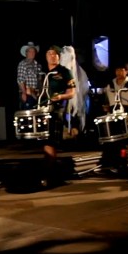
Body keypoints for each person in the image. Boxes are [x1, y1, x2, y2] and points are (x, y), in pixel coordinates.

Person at [41, 45, 76, 185]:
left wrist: (61, 97)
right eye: (49, 53)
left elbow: (71, 93)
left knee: (50, 141)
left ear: (59, 57)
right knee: (45, 142)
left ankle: (50, 174)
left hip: (56, 110)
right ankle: (51, 172)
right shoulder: (43, 73)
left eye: (54, 54)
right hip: (42, 110)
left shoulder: (65, 72)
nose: (52, 56)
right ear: (46, 56)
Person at [103, 61, 128, 143]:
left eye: (121, 70)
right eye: (117, 70)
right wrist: (106, 106)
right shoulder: (110, 85)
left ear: (127, 71)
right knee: (113, 137)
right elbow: (106, 100)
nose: (119, 72)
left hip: (127, 114)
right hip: (113, 115)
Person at [17, 42, 42, 109]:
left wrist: (40, 93)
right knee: (28, 112)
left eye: (33, 51)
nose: (32, 53)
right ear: (26, 53)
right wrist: (24, 93)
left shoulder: (38, 65)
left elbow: (40, 80)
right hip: (27, 94)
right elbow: (20, 79)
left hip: (36, 94)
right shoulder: (22, 64)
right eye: (30, 51)